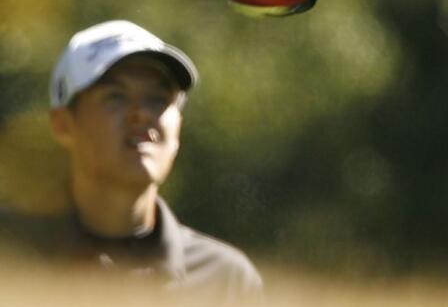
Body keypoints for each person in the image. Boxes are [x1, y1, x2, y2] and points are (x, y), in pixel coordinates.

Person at [0, 20, 263, 303]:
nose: (141, 114)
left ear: (178, 126)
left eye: (158, 99)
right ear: (63, 124)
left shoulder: (227, 280)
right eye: (115, 97)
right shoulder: (9, 251)